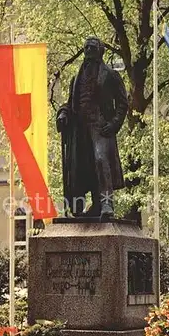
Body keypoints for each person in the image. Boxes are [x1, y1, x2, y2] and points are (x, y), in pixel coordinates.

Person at [56, 36, 128, 218]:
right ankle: (81, 205)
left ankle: (106, 204)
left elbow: (122, 103)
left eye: (92, 47)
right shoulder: (76, 78)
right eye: (86, 47)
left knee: (100, 160)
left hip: (100, 127)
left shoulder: (110, 75)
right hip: (80, 128)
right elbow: (70, 103)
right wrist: (63, 113)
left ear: (100, 51)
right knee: (81, 167)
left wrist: (113, 125)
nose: (88, 50)